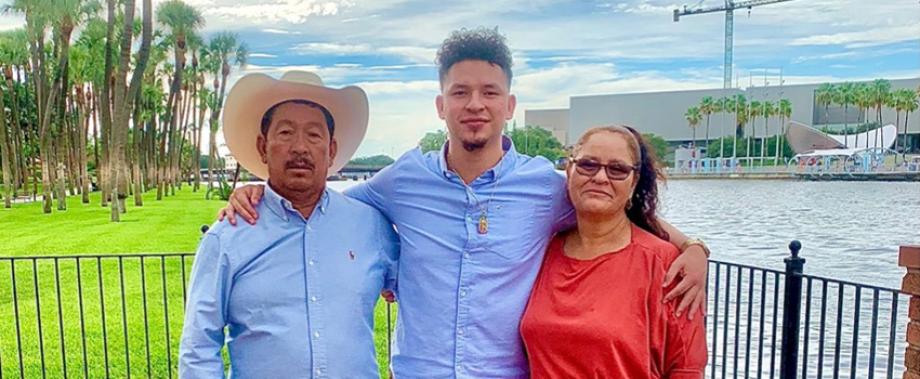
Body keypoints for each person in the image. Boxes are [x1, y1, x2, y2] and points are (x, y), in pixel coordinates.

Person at [220, 28, 709, 378]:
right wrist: (263, 188)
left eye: (489, 92)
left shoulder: (545, 187)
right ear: (441, 106)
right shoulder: (404, 180)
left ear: (509, 105)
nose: (475, 104)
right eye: (460, 92)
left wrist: (693, 248)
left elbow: (612, 205)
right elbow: (327, 203)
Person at [178, 71, 398, 378]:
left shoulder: (370, 226)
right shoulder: (227, 236)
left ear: (332, 150)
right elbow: (198, 346)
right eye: (285, 133)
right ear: (262, 146)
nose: (300, 147)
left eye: (314, 135)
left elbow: (424, 298)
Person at [520, 125, 707, 378]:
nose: (600, 178)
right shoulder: (544, 250)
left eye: (617, 169)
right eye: (588, 165)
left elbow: (687, 367)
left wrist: (694, 247)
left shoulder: (664, 265)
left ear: (634, 182)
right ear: (569, 171)